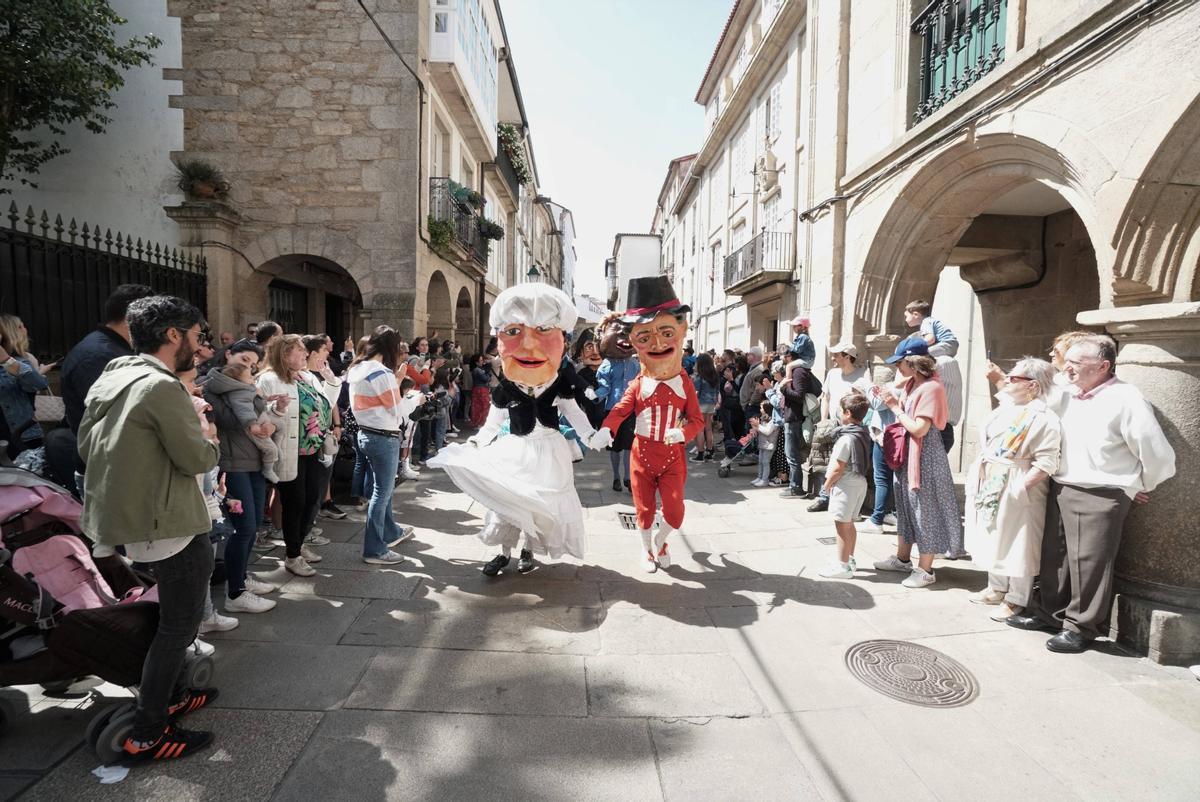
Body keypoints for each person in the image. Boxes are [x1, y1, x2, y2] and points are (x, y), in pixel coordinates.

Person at [77, 295, 220, 763]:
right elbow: (196, 457)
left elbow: (85, 445)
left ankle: (173, 694)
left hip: (133, 521)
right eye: (197, 338)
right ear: (172, 335)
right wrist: (210, 439)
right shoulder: (161, 387)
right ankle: (148, 731)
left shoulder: (115, 373)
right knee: (178, 627)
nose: (200, 350)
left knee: (171, 620)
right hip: (170, 523)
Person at [1008, 334, 1176, 653]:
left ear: (1103, 366)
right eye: (1066, 362)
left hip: (1102, 491)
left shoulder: (1127, 399)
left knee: (1089, 563)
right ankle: (1049, 614)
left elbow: (1158, 455)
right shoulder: (1067, 392)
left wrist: (1137, 485)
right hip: (1063, 483)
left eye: (1075, 364)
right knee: (1055, 556)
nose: (1066, 369)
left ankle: (1081, 628)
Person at [431, 284, 605, 576]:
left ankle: (528, 551)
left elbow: (574, 414)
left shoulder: (558, 384)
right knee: (507, 503)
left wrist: (591, 436)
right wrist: (475, 443)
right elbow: (493, 423)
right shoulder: (507, 388)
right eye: (514, 332)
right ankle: (503, 553)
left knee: (537, 507)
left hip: (549, 450)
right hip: (516, 449)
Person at [596, 277, 703, 573]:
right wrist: (607, 428)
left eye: (666, 332)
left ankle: (662, 539)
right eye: (644, 337)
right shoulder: (638, 383)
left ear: (681, 332)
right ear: (633, 342)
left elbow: (697, 419)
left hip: (672, 457)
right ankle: (646, 551)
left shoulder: (685, 384)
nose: (657, 343)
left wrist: (682, 432)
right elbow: (620, 409)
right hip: (641, 454)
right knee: (643, 510)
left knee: (675, 512)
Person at [964, 357, 1062, 621]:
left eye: (1014, 377)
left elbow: (1046, 462)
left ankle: (1017, 598)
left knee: (1020, 541)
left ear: (1032, 385)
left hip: (1017, 482)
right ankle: (997, 586)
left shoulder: (1044, 417)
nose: (1007, 380)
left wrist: (1020, 487)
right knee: (994, 535)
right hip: (993, 478)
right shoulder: (1009, 406)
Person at [872, 336, 963, 588]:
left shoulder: (931, 387)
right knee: (906, 506)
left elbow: (920, 429)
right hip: (910, 455)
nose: (897, 368)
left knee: (924, 509)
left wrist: (895, 407)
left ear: (913, 363)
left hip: (924, 456)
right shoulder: (915, 383)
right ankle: (903, 559)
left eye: (900, 363)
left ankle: (925, 569)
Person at [204, 354, 280, 615]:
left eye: (254, 361)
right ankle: (235, 593)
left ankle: (242, 577)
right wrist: (254, 400)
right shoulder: (213, 389)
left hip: (254, 460)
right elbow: (231, 421)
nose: (251, 365)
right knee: (244, 527)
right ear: (229, 357)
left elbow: (259, 415)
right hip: (234, 464)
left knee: (254, 522)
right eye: (245, 359)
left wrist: (267, 417)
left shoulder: (247, 388)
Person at [256, 334, 325, 577]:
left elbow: (324, 404)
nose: (306, 354)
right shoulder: (267, 379)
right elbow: (258, 415)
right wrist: (276, 408)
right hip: (288, 451)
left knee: (312, 499)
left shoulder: (306, 377)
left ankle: (298, 542)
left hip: (312, 449)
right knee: (295, 503)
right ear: (285, 354)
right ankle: (292, 555)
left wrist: (331, 379)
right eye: (300, 350)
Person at [348, 326, 415, 565]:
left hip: (365, 434)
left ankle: (391, 532)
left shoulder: (356, 369)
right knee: (382, 493)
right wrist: (398, 382)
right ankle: (375, 550)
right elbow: (396, 409)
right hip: (383, 436)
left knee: (380, 490)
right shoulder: (381, 372)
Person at [61, 283, 156, 434]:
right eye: (153, 319)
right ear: (133, 317)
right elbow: (117, 417)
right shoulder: (99, 356)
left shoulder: (111, 348)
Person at [807, 341, 870, 512]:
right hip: (833, 425)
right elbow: (826, 397)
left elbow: (865, 400)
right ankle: (824, 496)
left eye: (836, 354)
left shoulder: (863, 374)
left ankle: (848, 499)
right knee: (826, 460)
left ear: (848, 357)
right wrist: (823, 420)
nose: (832, 357)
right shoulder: (833, 373)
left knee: (847, 464)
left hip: (852, 427)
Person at [818, 392, 873, 578]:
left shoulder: (845, 439)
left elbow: (837, 469)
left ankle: (842, 567)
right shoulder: (863, 433)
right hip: (859, 483)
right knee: (849, 524)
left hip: (846, 485)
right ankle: (848, 559)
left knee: (841, 526)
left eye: (841, 411)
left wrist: (826, 485)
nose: (840, 414)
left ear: (847, 413)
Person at [593, 312, 639, 492]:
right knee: (615, 447)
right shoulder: (607, 364)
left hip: (630, 411)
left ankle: (627, 477)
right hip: (612, 411)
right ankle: (616, 477)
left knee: (629, 445)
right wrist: (593, 395)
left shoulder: (635, 364)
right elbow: (604, 388)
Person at [0, 314, 52, 452]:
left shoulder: (19, 361)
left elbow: (38, 384)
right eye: (21, 326)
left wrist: (6, 360)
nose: (25, 330)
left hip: (20, 436)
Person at [690, 352, 720, 461]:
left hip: (701, 404)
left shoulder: (699, 377)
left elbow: (696, 393)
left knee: (699, 429)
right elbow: (717, 391)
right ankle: (710, 452)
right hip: (711, 404)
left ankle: (700, 454)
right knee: (708, 429)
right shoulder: (715, 375)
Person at [748, 399, 779, 488]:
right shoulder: (762, 418)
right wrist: (754, 429)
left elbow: (767, 431)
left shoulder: (774, 420)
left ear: (767, 408)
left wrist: (757, 426)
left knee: (765, 462)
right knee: (760, 461)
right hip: (762, 444)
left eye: (762, 407)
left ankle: (764, 480)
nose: (760, 409)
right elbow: (760, 430)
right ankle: (759, 477)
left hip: (769, 445)